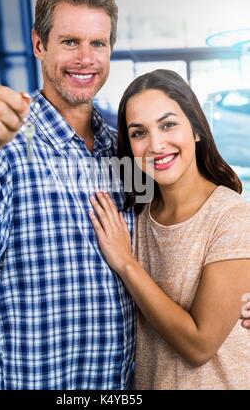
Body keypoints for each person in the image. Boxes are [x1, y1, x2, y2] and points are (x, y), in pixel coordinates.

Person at [0, 0, 135, 389]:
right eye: (70, 42)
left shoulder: (123, 149)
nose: (86, 58)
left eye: (98, 44)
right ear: (39, 45)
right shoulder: (7, 144)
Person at [89, 69, 250, 390]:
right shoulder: (138, 218)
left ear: (196, 130)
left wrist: (126, 265)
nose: (156, 144)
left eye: (168, 124)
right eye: (139, 133)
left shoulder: (232, 216)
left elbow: (199, 346)